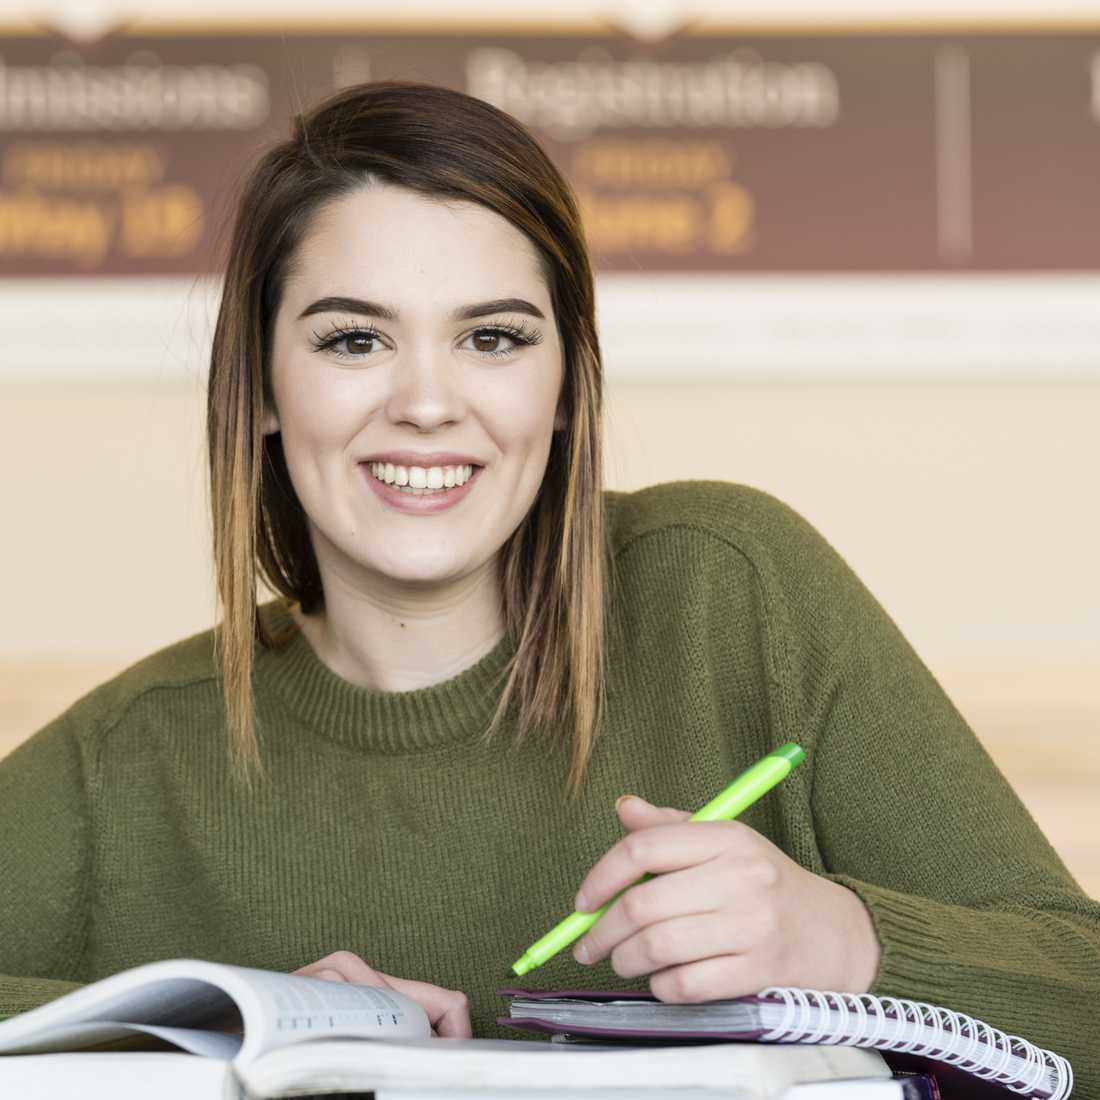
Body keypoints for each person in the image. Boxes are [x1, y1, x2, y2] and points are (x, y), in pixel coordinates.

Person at [1, 81, 1099, 1088]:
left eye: (490, 337)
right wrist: (223, 1031)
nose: (427, 403)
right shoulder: (127, 757)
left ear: (567, 382)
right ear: (262, 385)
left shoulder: (730, 588)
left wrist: (848, 940)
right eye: (352, 339)